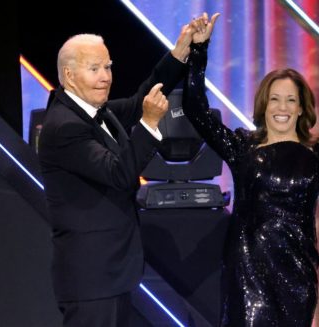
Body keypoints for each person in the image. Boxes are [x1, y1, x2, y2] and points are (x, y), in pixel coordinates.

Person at [183, 14, 319, 326]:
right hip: (247, 270)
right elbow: (195, 109)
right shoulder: (242, 147)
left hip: (297, 270)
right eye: (275, 100)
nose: (282, 108)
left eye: (290, 100)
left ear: (301, 107)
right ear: (264, 105)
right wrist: (199, 53)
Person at [37, 17, 212, 326]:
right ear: (69, 75)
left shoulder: (91, 111)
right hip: (91, 281)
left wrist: (180, 52)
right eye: (94, 69)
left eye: (108, 67)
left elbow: (138, 101)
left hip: (110, 275)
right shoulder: (65, 127)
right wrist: (148, 124)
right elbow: (119, 173)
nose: (105, 77)